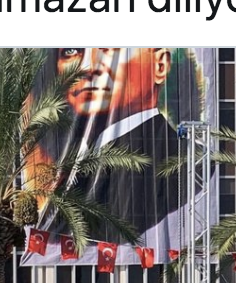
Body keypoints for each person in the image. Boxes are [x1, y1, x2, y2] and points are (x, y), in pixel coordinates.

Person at [41, 47, 184, 253]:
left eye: (110, 49)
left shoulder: (186, 167)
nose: (86, 68)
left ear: (159, 65)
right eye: (71, 51)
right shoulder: (67, 168)